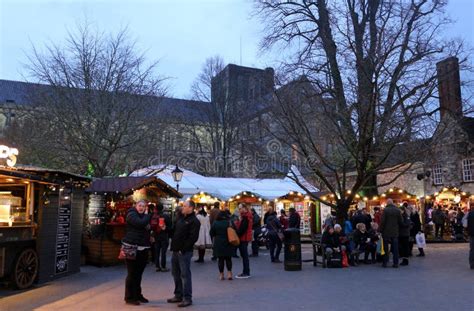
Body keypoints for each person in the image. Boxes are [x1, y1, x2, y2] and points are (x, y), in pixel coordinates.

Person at [168, 200, 200, 308]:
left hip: (184, 252)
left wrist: (184, 248)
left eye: (185, 206)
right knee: (175, 273)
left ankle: (187, 298)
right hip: (176, 250)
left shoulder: (194, 221)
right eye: (182, 206)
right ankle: (178, 294)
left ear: (191, 208)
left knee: (185, 275)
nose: (182, 208)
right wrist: (166, 229)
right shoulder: (180, 218)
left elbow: (193, 238)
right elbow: (174, 232)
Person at [123, 200, 151, 306]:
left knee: (139, 273)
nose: (141, 208)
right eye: (140, 205)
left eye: (143, 206)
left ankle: (137, 294)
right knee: (131, 273)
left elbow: (147, 227)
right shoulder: (131, 214)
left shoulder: (144, 216)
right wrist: (148, 216)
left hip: (143, 247)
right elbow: (141, 223)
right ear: (135, 206)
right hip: (131, 246)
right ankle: (129, 297)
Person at [209, 211, 234, 280]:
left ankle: (221, 274)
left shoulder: (215, 223)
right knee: (228, 259)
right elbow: (234, 230)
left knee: (220, 259)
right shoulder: (228, 222)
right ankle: (229, 273)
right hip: (228, 242)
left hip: (218, 242)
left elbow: (211, 233)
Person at [380, 199, 403, 268]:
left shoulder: (385, 210)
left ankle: (385, 262)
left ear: (387, 203)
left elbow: (383, 221)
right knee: (395, 248)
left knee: (385, 248)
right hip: (395, 232)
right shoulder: (397, 210)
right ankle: (395, 263)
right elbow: (401, 221)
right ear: (392, 203)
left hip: (386, 232)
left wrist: (380, 230)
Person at [151, 202, 172, 272]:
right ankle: (163, 266)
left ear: (155, 208)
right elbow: (170, 227)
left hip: (156, 235)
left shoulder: (153, 216)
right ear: (163, 208)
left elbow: (151, 226)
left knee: (157, 251)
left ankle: (157, 266)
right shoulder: (166, 216)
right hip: (164, 235)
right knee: (163, 252)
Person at [234, 203, 253, 278]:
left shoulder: (246, 217)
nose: (239, 209)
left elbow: (242, 229)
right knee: (244, 256)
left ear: (244, 208)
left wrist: (236, 235)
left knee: (244, 256)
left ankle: (246, 272)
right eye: (239, 208)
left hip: (243, 239)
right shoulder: (246, 216)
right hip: (245, 238)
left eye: (240, 208)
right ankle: (246, 272)